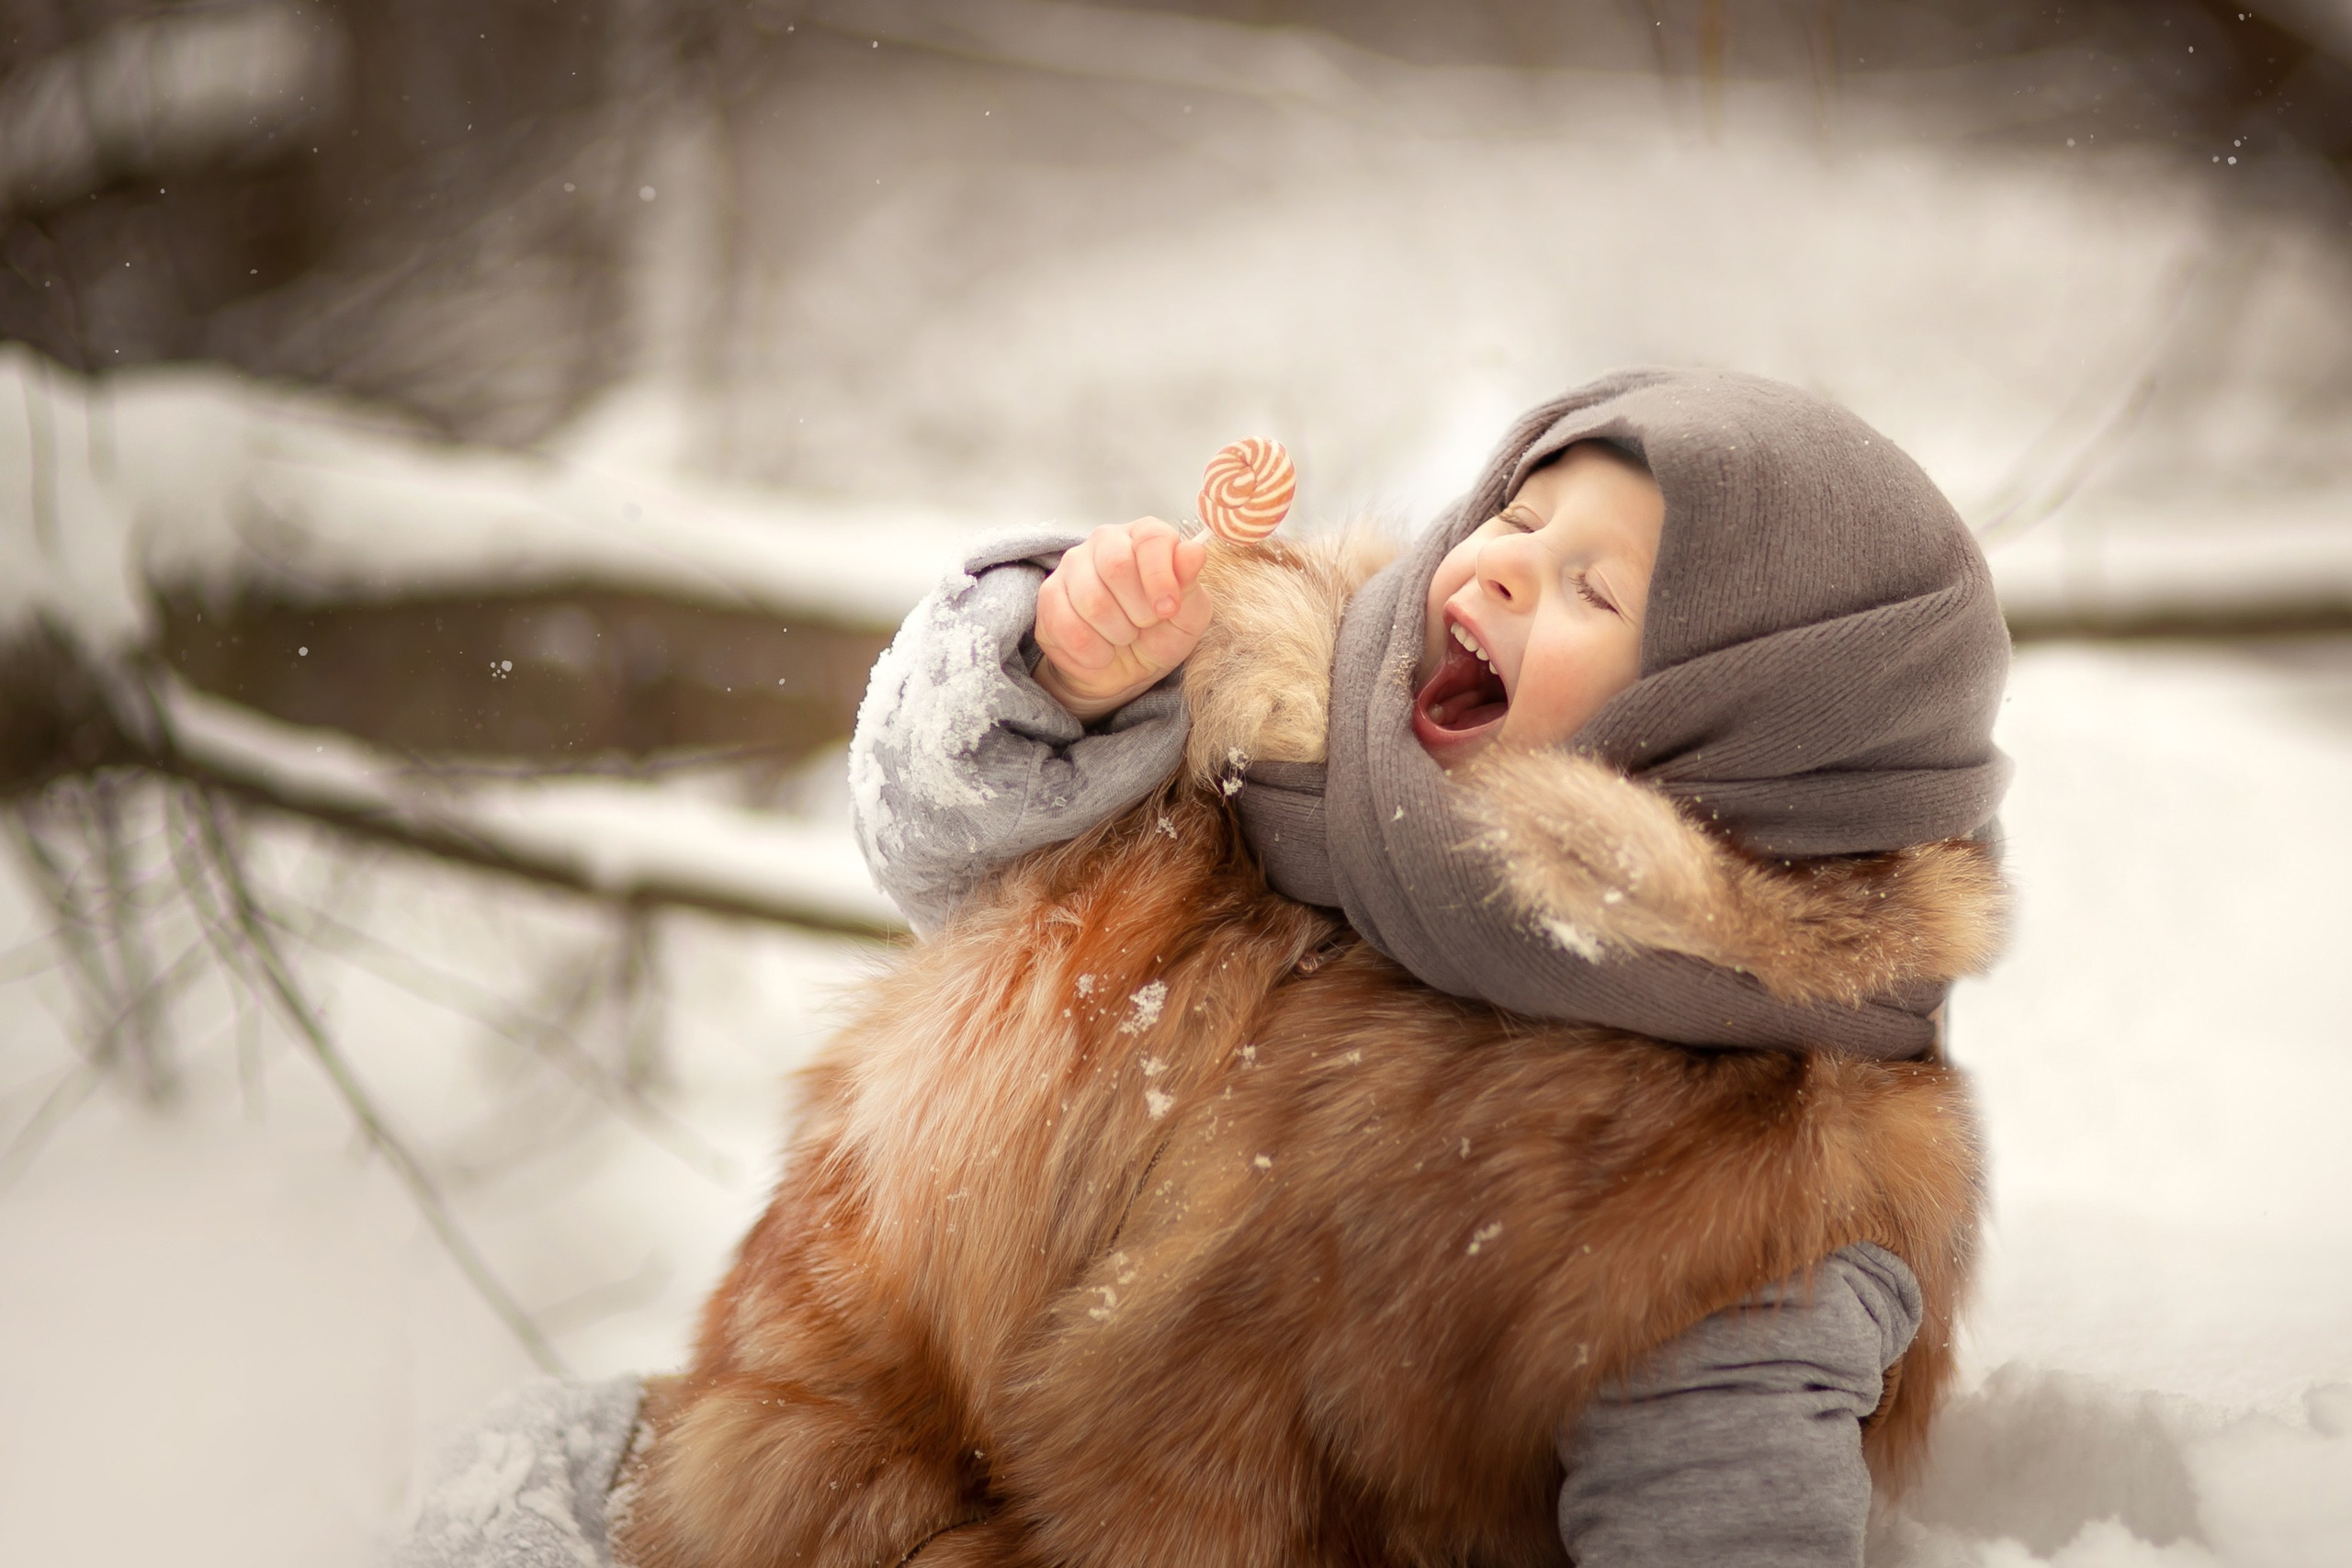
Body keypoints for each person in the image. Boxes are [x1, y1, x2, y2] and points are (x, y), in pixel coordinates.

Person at [387, 368, 2008, 1568]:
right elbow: (928, 850)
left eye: (1595, 587)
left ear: (1741, 738)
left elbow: (1716, 1521)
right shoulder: (1264, 718)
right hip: (792, 1452)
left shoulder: (1757, 1160)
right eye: (1519, 512)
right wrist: (1049, 678)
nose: (1502, 568)